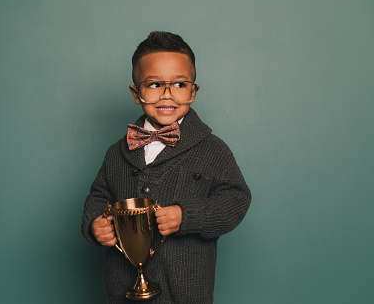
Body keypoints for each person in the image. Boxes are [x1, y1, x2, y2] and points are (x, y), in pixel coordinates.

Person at [81, 31, 251, 303]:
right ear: (136, 93)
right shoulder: (117, 152)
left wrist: (187, 216)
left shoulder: (213, 150)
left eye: (180, 85)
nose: (167, 95)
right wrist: (94, 225)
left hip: (184, 290)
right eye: (154, 84)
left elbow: (236, 200)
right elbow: (99, 196)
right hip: (124, 289)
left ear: (194, 91)